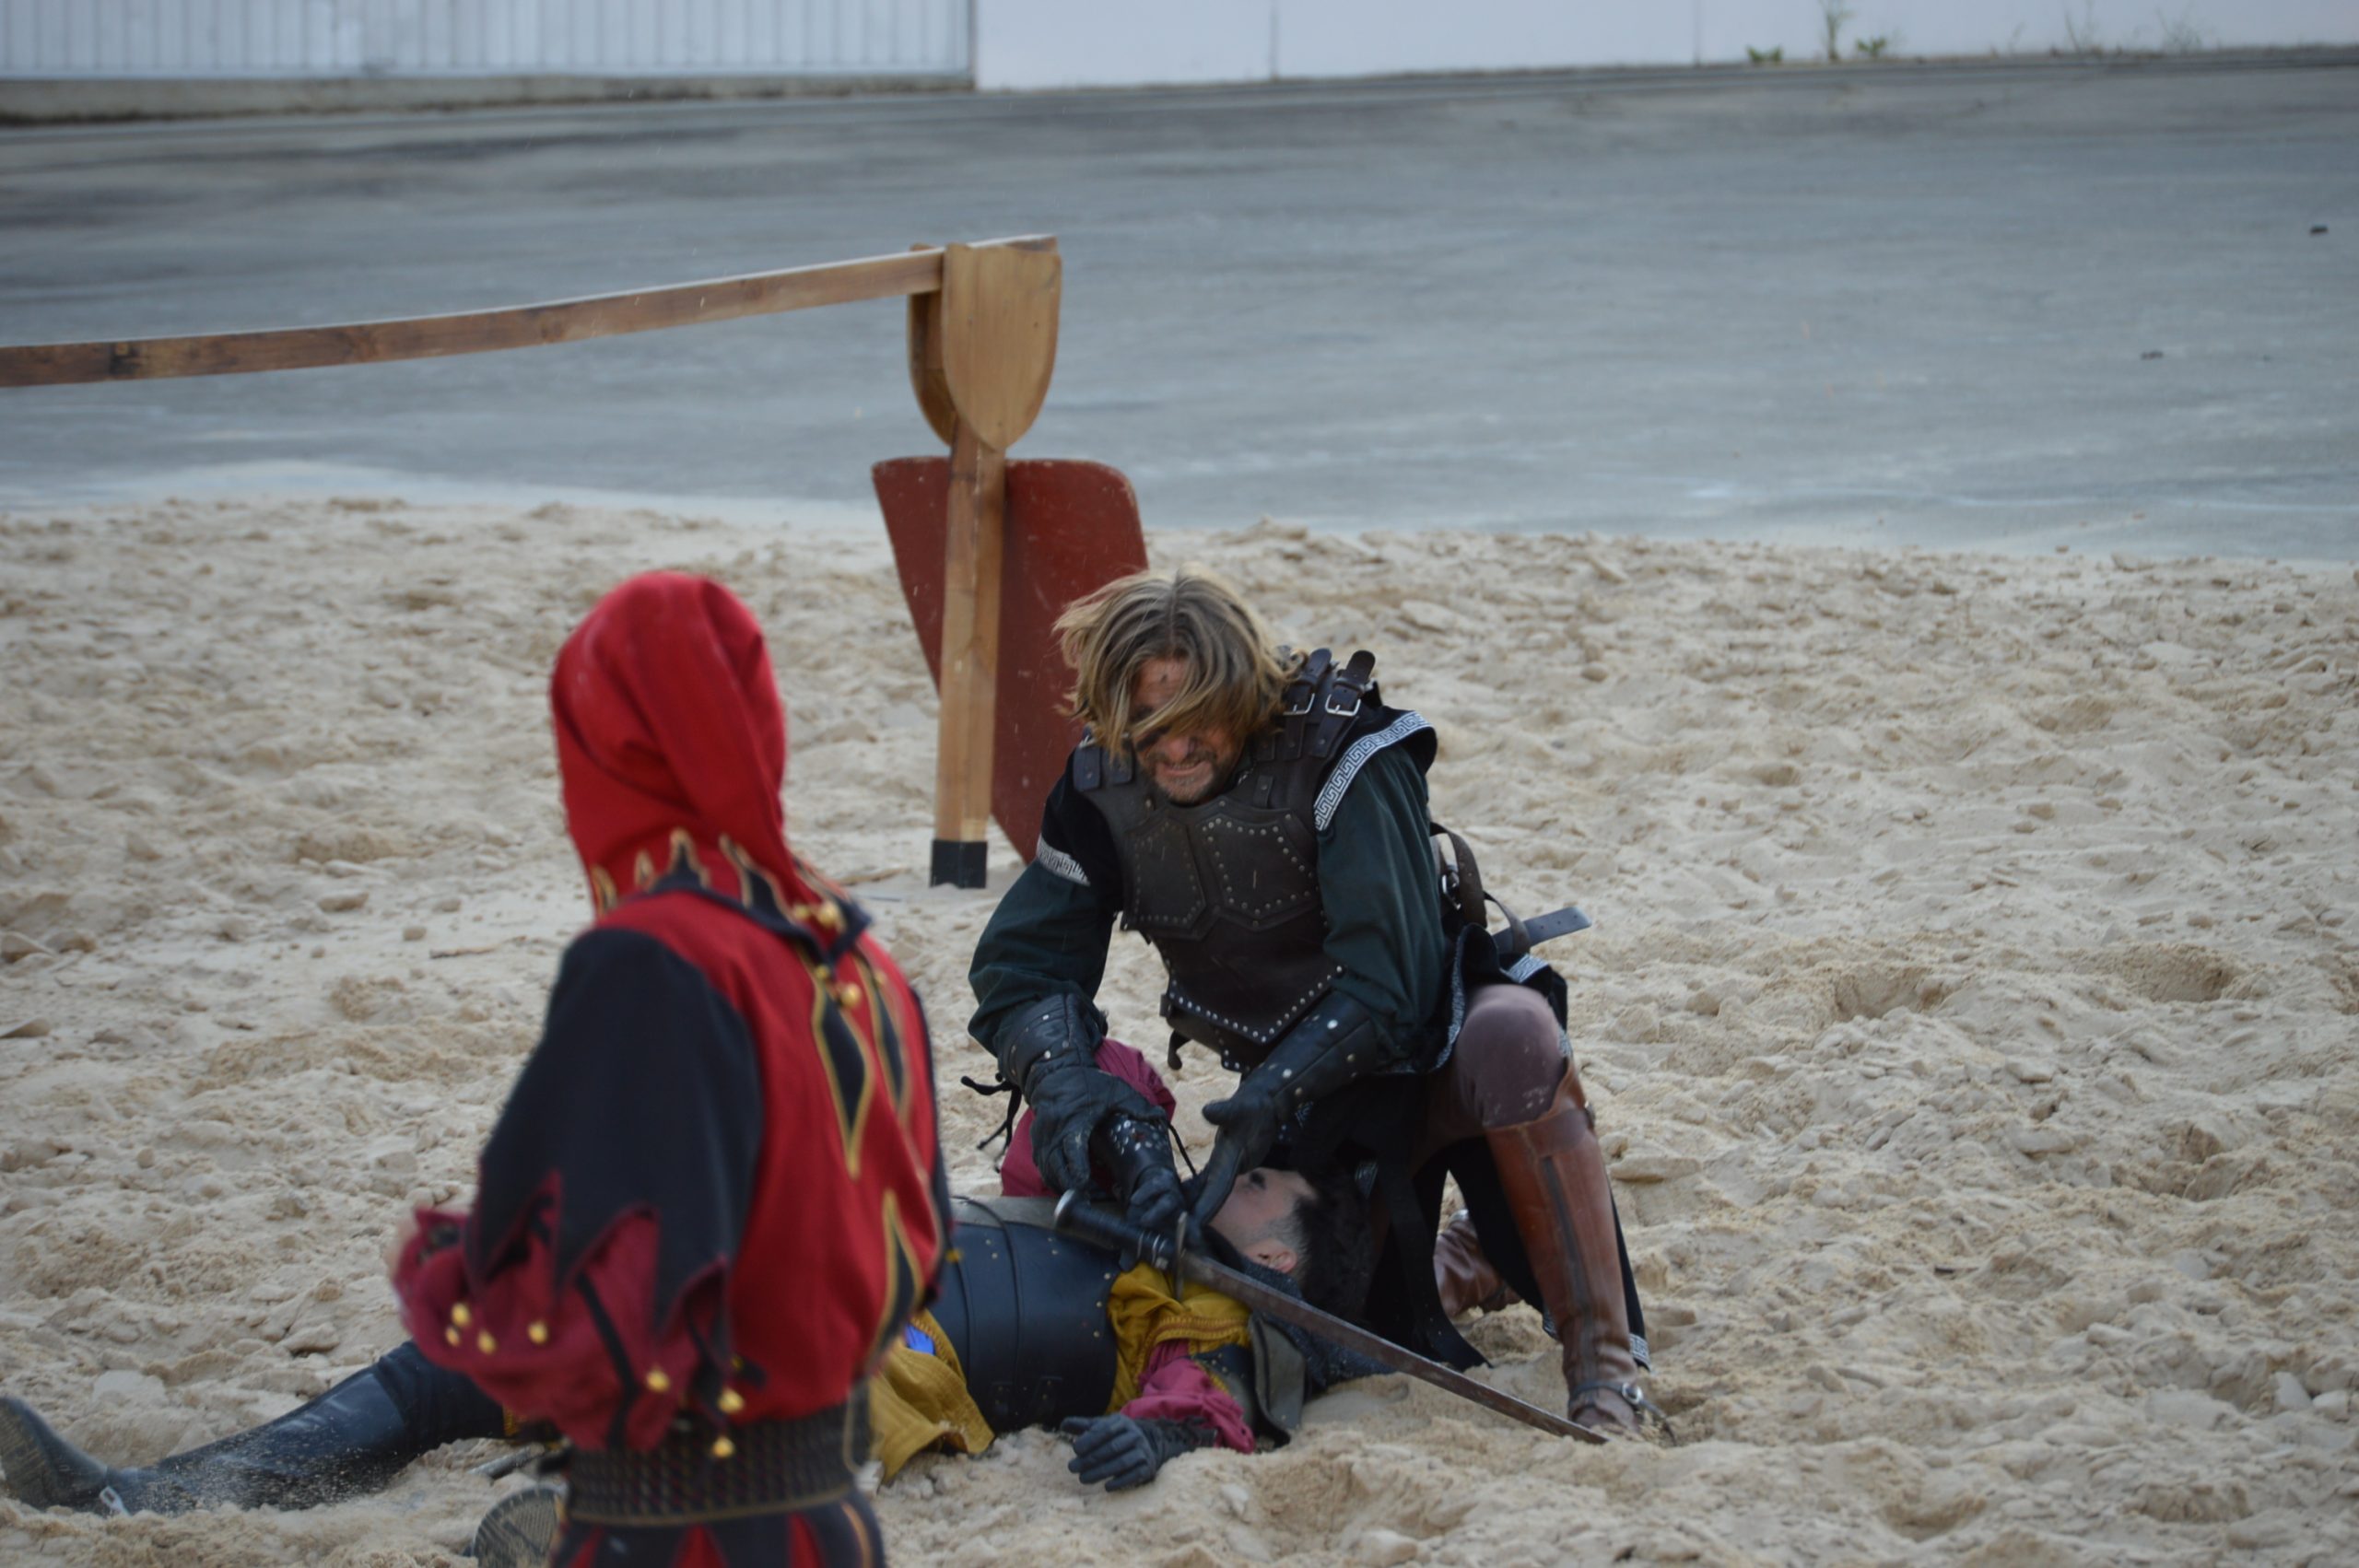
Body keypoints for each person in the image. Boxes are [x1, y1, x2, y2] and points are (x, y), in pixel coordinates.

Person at [0, 1043, 1375, 1539]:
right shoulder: (1113, 1188)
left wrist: (1168, 1432)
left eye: (1261, 1190)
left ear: (1274, 1260)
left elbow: (1212, 1400)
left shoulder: (1204, 1312)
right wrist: (1118, 1132)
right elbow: (1088, 1080)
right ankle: (167, 1490)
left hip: (897, 1355)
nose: (1231, 1173)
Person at [967, 568, 1655, 1437]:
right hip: (1301, 1103)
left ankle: (1606, 1368)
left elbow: (1394, 988)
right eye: (1146, 726)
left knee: (1515, 1036)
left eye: (1192, 724)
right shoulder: (1101, 786)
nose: (1170, 750)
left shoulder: (1342, 751)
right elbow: (1025, 969)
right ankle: (1474, 1261)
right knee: (1321, 1325)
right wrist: (1078, 1097)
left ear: (1243, 695)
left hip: (1429, 1049)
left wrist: (1267, 1099)